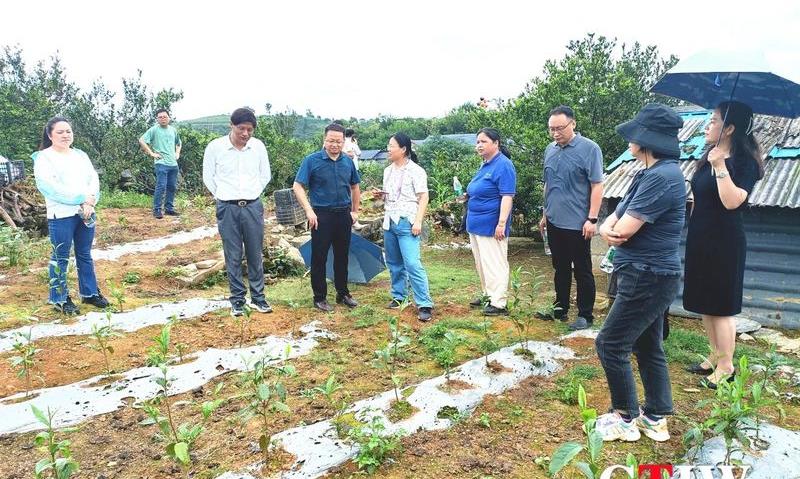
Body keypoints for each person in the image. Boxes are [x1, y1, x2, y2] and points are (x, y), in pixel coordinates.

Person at [594, 103, 686, 443]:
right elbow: (611, 223)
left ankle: (625, 417)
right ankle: (656, 417)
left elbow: (623, 230)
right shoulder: (647, 172)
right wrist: (609, 229)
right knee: (647, 345)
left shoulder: (663, 177)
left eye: (634, 134)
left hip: (648, 275)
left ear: (646, 140)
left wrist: (611, 230)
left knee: (610, 343)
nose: (629, 139)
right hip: (641, 271)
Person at [682, 101, 763, 389]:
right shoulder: (708, 155)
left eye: (714, 121)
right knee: (706, 301)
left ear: (729, 128)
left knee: (722, 304)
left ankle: (727, 365)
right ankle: (715, 355)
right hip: (701, 237)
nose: (708, 125)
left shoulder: (745, 162)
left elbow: (732, 201)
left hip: (725, 241)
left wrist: (720, 166)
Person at [33, 116, 109, 315]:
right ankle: (59, 297)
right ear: (50, 135)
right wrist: (81, 198)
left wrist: (91, 200)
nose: (65, 135)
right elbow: (49, 188)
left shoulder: (80, 155)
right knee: (60, 256)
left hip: (86, 212)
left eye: (68, 131)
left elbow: (93, 179)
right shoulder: (43, 157)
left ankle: (90, 293)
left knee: (84, 253)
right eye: (60, 132)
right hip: (62, 214)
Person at [538, 105, 603, 330]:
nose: (556, 133)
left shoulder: (590, 149)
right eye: (551, 129)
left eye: (560, 128)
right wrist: (545, 214)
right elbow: (549, 184)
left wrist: (592, 219)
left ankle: (586, 314)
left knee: (582, 269)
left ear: (573, 124)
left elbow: (597, 185)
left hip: (578, 223)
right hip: (555, 220)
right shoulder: (550, 149)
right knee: (560, 267)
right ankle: (560, 307)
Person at [202, 108, 272, 317]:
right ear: (231, 126)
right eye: (241, 128)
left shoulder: (258, 147)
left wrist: (251, 193)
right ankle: (237, 301)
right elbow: (209, 177)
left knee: (254, 253)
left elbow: (264, 175)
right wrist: (224, 195)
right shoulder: (216, 147)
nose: (245, 133)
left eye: (249, 130)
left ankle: (259, 298)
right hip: (227, 207)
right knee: (232, 254)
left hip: (252, 206)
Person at [293, 123, 361, 312]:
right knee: (319, 257)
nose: (335, 145)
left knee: (342, 256)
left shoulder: (348, 162)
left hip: (343, 214)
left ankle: (343, 293)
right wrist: (308, 210)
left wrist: (355, 211)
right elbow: (297, 185)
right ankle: (320, 297)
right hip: (321, 215)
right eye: (331, 141)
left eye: (339, 141)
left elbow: (355, 187)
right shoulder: (312, 161)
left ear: (343, 141)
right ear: (324, 140)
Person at [372, 132, 434, 321]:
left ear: (403, 149)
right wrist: (380, 196)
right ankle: (399, 296)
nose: (388, 149)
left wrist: (418, 221)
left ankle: (424, 303)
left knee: (413, 263)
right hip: (390, 221)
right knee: (394, 263)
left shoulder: (416, 171)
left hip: (408, 222)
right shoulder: (388, 171)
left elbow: (423, 196)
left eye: (391, 146)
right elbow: (391, 196)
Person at [465, 128, 516, 316]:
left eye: (483, 141)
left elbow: (507, 196)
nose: (479, 145)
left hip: (491, 224)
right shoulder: (485, 164)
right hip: (476, 223)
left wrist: (501, 223)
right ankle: (488, 295)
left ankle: (499, 302)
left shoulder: (504, 165)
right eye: (477, 141)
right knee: (482, 263)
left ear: (496, 143)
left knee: (495, 262)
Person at [139, 108, 182, 219]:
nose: (163, 119)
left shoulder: (173, 130)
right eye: (160, 117)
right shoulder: (154, 130)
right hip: (161, 163)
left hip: (173, 164)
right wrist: (151, 153)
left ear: (169, 118)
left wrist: (177, 153)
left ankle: (169, 209)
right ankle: (157, 209)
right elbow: (142, 140)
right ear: (157, 119)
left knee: (171, 186)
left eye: (165, 117)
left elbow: (179, 143)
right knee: (161, 186)